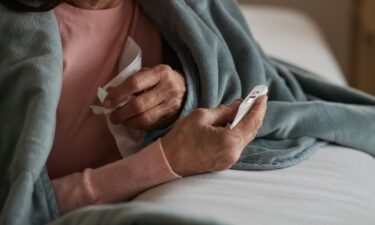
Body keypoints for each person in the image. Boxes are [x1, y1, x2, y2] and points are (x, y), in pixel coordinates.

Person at [0, 0, 268, 214]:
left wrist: (189, 94)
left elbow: (249, 79)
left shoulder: (183, 11)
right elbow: (16, 207)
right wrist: (169, 159)